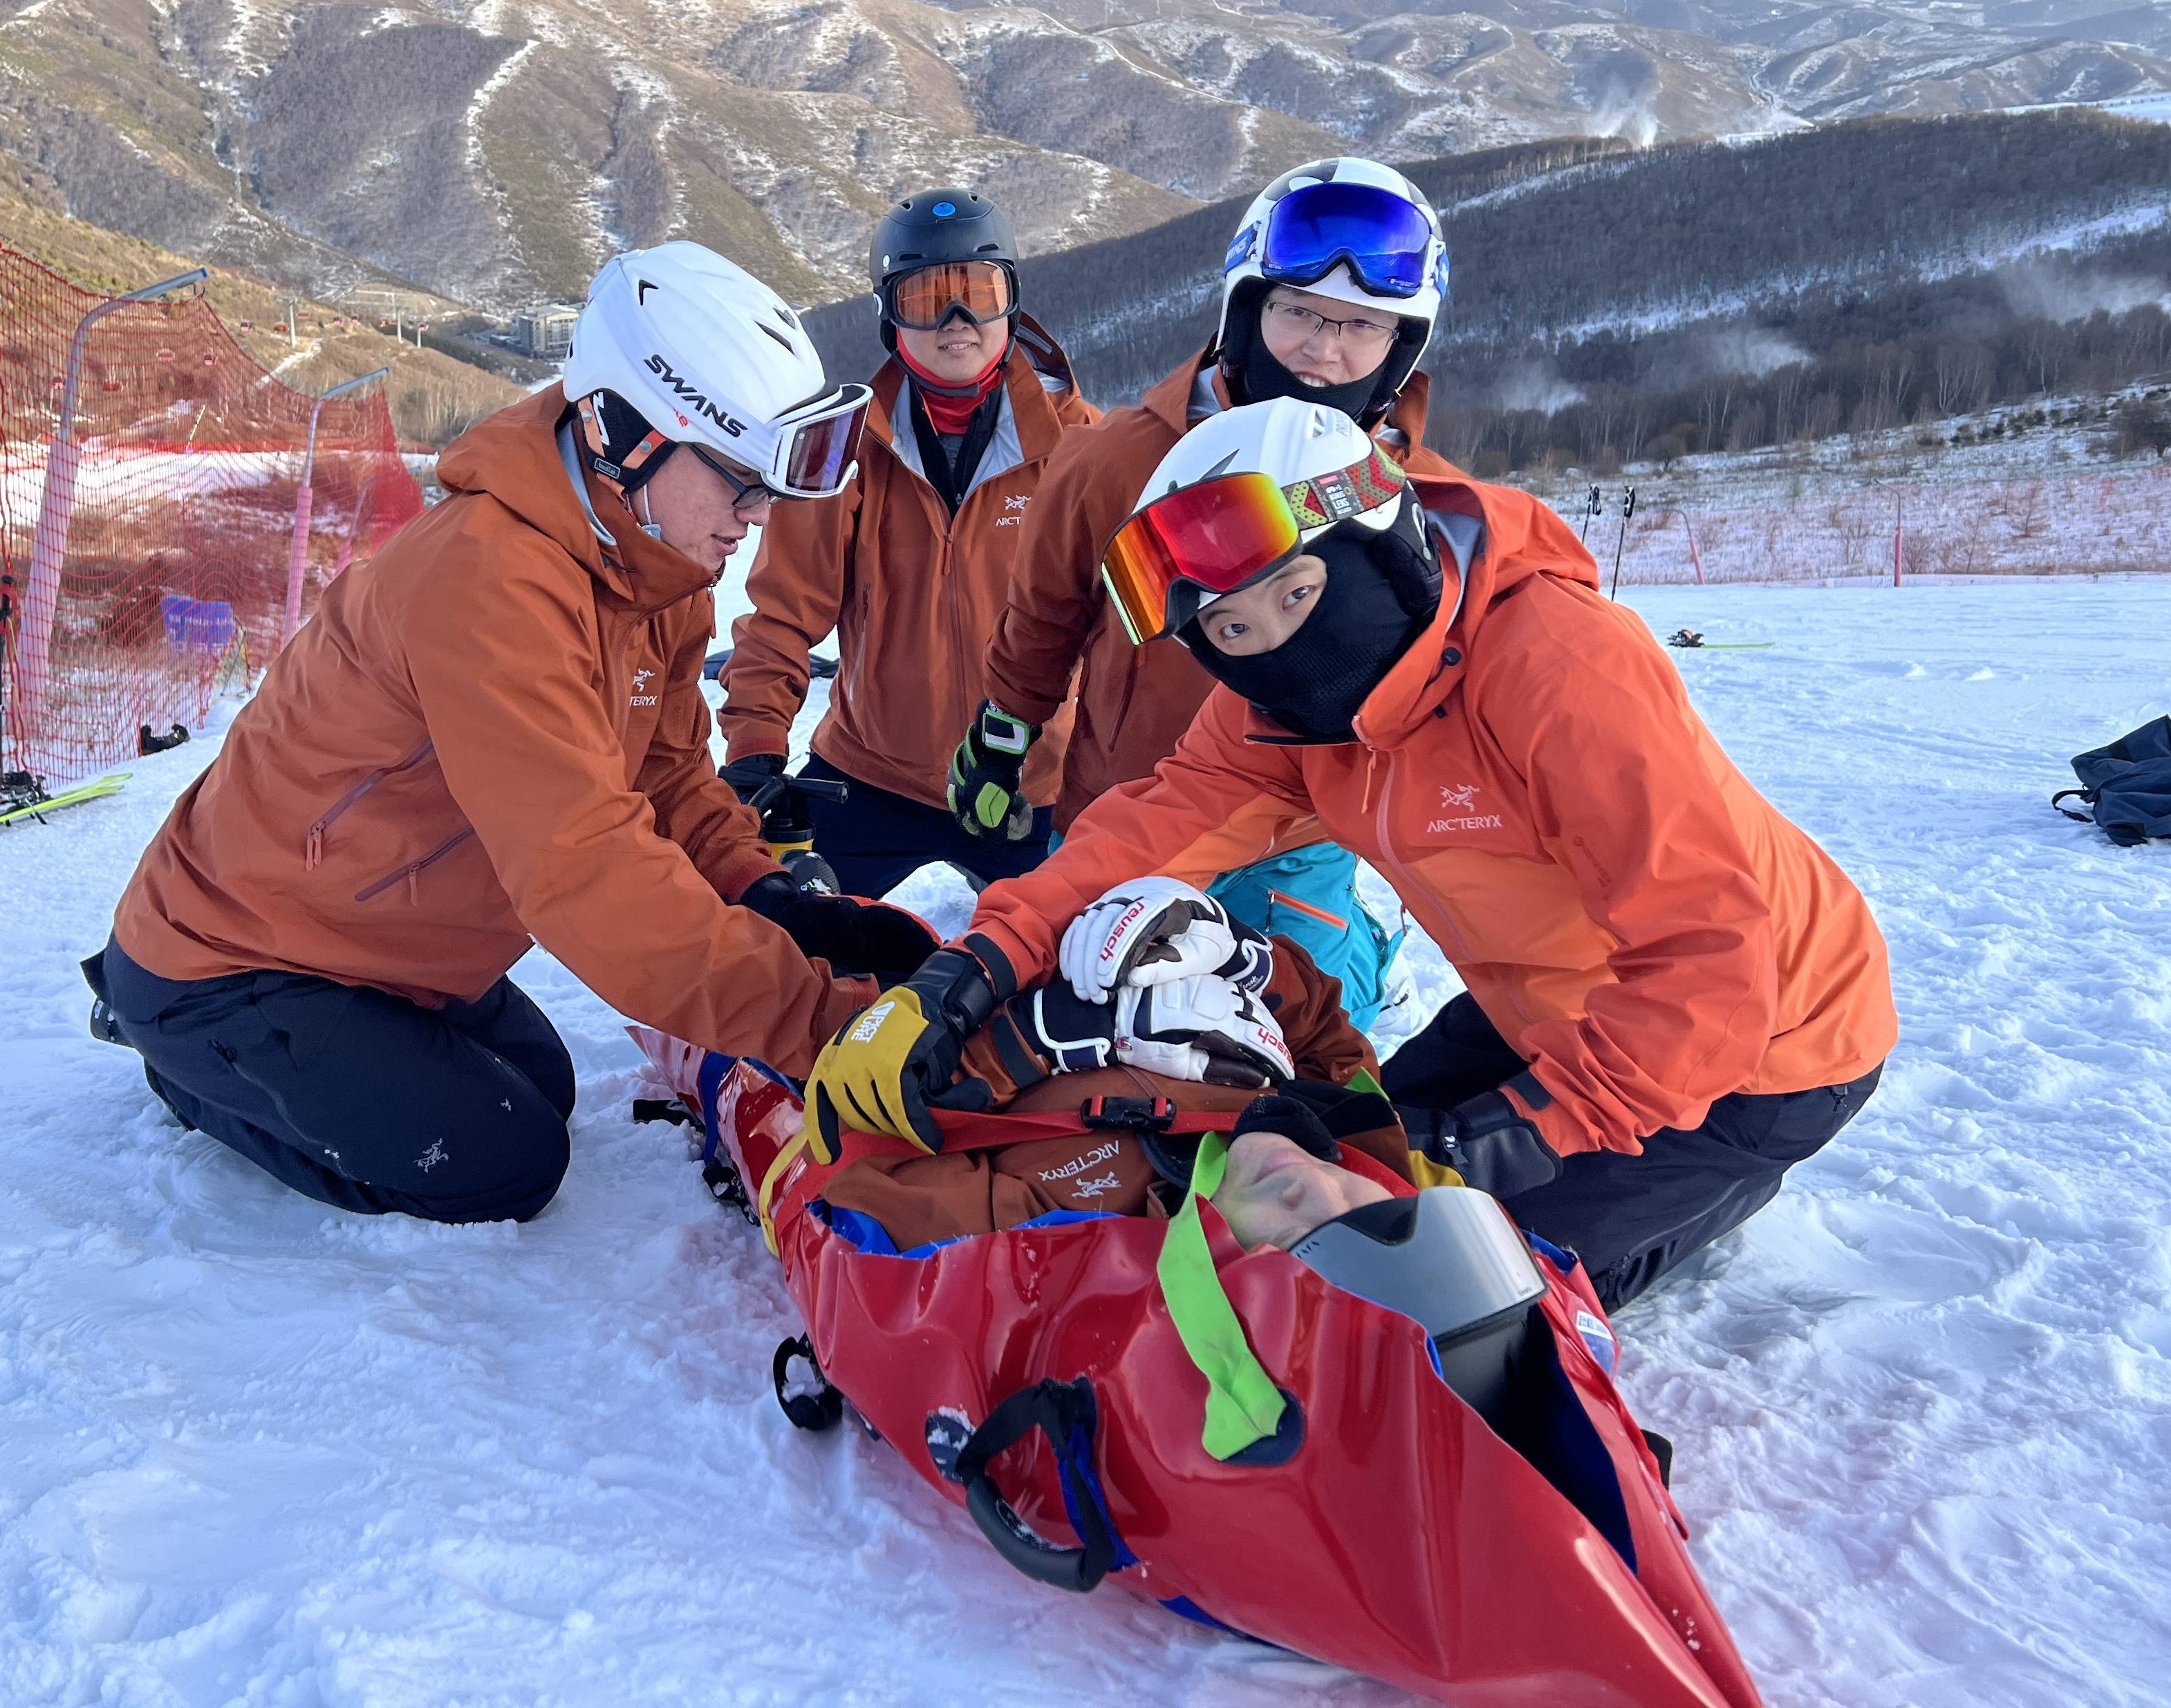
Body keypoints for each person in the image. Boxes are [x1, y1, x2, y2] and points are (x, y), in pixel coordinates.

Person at [807, 398, 1896, 1310]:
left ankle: (1720, 1188)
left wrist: (1511, 1140)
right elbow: (1148, 832)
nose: (1274, 647)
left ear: (1378, 547)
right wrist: (978, 965)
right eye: (1230, 631)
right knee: (1330, 1169)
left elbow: (1710, 956)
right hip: (1543, 1009)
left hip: (1763, 1049)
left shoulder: (1557, 669)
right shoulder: (1282, 717)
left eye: (1297, 596)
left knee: (1443, 1281)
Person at [88, 241, 936, 1225]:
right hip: (242, 958)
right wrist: (824, 1027)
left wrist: (773, 900)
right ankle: (184, 1063)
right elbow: (589, 871)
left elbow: (666, 781)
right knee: (505, 1160)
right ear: (628, 433)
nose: (757, 517)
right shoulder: (489, 584)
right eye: (739, 480)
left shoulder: (653, 568)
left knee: (543, 1083)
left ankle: (280, 1053)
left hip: (376, 949)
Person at [953, 158, 1458, 1029]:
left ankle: (1369, 949)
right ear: (1247, 310)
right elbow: (1046, 615)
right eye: (1297, 311)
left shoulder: (1414, 499)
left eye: (1363, 326)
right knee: (1076, 1026)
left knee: (1316, 1030)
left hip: (1298, 836)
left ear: (1400, 347)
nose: (1322, 350)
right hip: (1126, 800)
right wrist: (1007, 730)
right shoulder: (1116, 461)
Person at [716, 188, 1095, 898]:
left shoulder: (1080, 447)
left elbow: (1133, 630)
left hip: (1029, 781)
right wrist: (757, 747)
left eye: (978, 293)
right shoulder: (850, 451)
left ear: (1010, 304)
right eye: (927, 299)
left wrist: (1116, 768)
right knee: (769, 932)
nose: (957, 322)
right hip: (872, 774)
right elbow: (781, 619)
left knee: (1072, 975)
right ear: (890, 317)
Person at [805, 876, 1413, 1251]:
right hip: (1021, 963)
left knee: (815, 959)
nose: (1317, 1191)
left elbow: (860, 1156)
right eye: (1369, 1211)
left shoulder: (1074, 1226)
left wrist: (1021, 1045)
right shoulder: (1342, 1128)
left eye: (1300, 1245)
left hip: (878, 1040)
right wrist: (1243, 959)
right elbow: (1327, 1025)